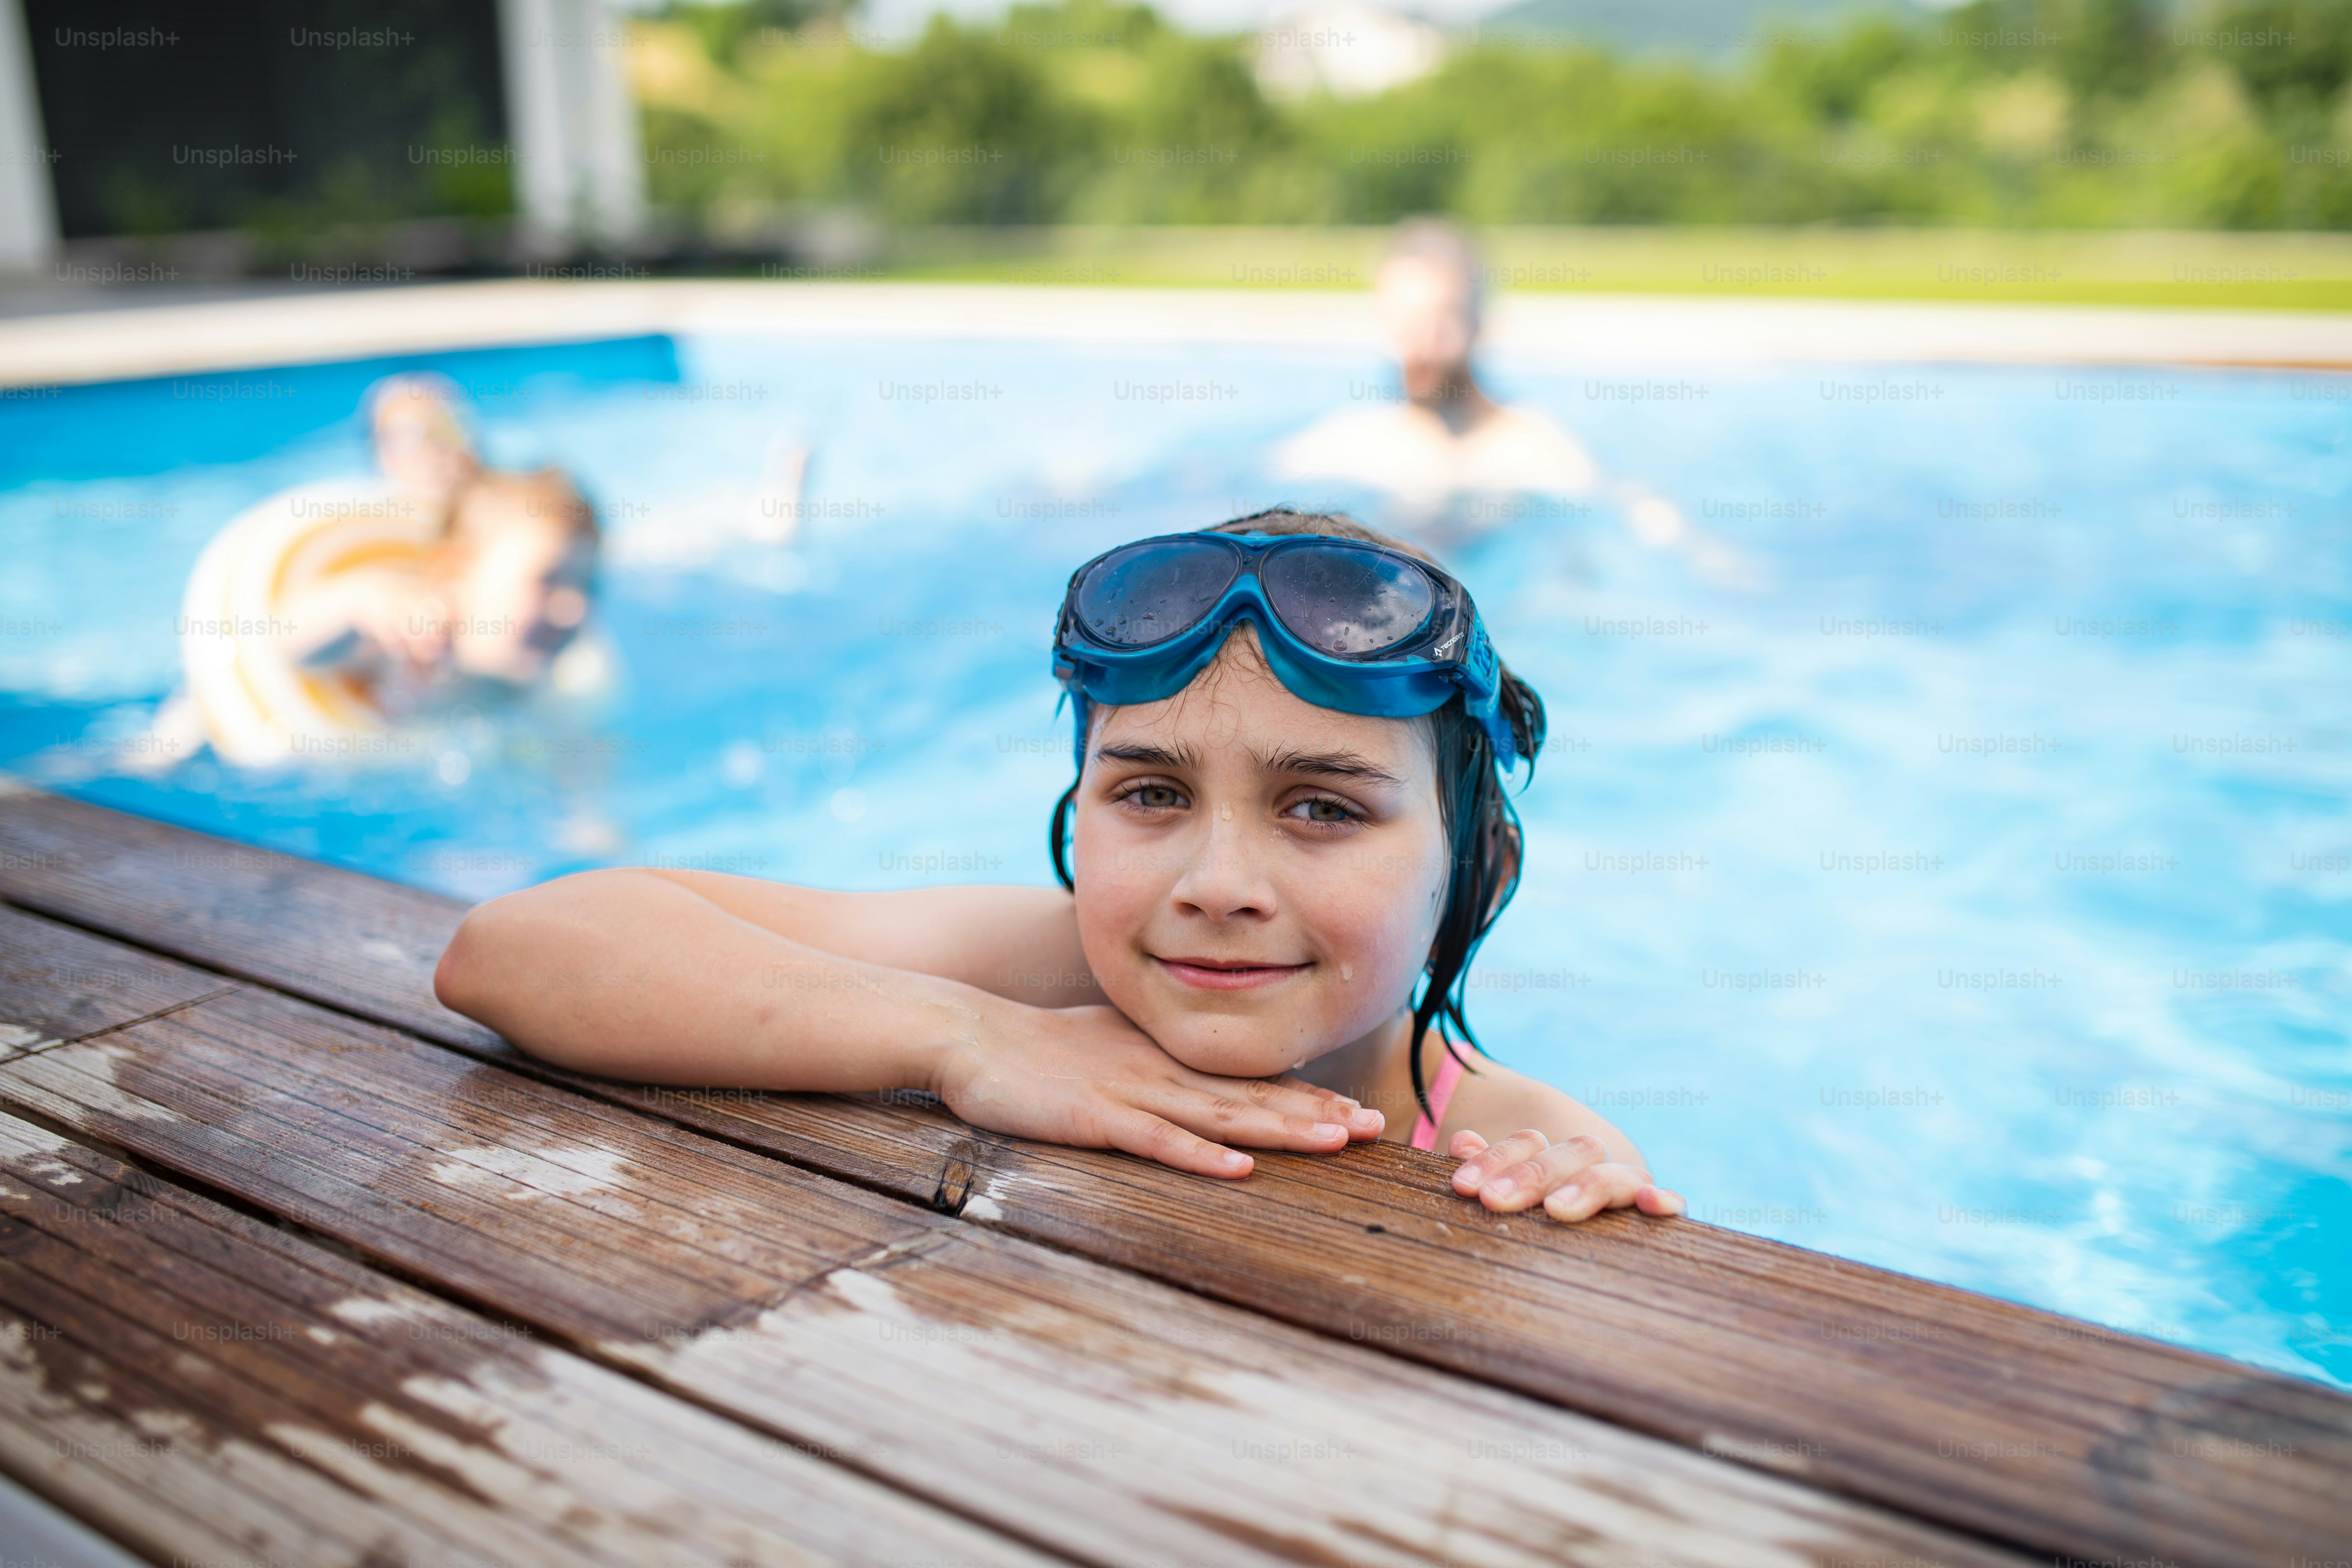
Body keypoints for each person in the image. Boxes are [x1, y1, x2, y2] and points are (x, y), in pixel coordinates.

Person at [435, 509, 1685, 1225]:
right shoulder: (1029, 973)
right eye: (1149, 793)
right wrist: (965, 1038)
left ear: (1475, 864)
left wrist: (1569, 1202)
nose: (1216, 880)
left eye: (1318, 807)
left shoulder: (1502, 1134)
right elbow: (519, 947)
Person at [1273, 220, 1751, 583]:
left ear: (1482, 322)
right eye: (1405, 320)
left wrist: (1717, 565)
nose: (1422, 342)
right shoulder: (1346, 444)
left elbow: (1635, 515)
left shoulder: (1534, 449)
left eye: (1443, 320)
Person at [164, 375, 601, 767]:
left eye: (451, 427)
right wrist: (357, 601)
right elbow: (279, 643)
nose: (438, 451)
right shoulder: (412, 629)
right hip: (254, 725)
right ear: (379, 453)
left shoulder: (526, 637)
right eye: (412, 436)